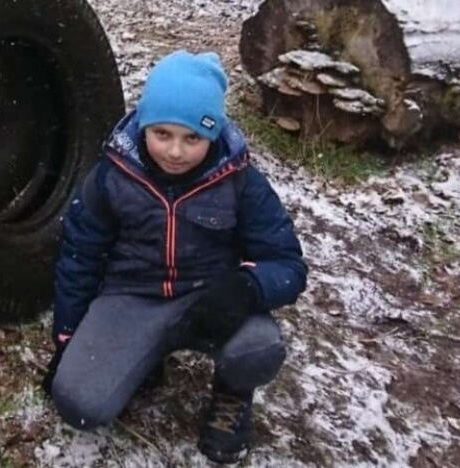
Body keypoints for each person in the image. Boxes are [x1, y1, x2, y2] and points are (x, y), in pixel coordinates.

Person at [43, 50, 308, 464]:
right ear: (143, 124)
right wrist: (67, 336)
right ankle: (144, 358)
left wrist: (245, 288)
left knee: (259, 349)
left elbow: (288, 265)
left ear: (213, 134)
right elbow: (80, 256)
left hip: (211, 298)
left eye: (193, 138)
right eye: (162, 133)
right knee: (80, 405)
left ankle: (233, 393)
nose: (176, 152)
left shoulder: (240, 181)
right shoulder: (112, 176)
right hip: (131, 296)